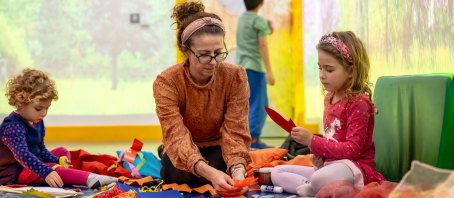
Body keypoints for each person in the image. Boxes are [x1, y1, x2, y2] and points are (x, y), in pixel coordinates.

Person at [153, 1, 252, 196]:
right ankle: (166, 152)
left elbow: (236, 131)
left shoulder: (235, 76)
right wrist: (210, 173)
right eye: (204, 55)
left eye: (218, 53)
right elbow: (176, 133)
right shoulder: (167, 82)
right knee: (179, 177)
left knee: (220, 177)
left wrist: (239, 170)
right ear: (186, 50)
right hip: (180, 143)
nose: (214, 62)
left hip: (216, 144)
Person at [270, 31, 385, 196]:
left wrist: (313, 141)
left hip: (354, 167)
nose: (321, 75)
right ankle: (312, 188)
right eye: (320, 68)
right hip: (331, 167)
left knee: (320, 179)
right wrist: (320, 156)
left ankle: (315, 187)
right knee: (277, 172)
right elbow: (332, 139)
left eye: (329, 69)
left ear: (351, 71)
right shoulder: (329, 98)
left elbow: (352, 150)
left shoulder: (359, 103)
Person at [0, 68, 120, 188]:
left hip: (34, 164)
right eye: (38, 109)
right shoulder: (12, 126)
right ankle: (88, 178)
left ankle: (63, 171)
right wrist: (46, 171)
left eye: (47, 108)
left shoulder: (37, 120)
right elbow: (23, 155)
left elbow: (41, 150)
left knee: (62, 152)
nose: (44, 113)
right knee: (52, 169)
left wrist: (58, 161)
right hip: (15, 172)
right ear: (20, 102)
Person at [236, 0, 274, 149]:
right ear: (262, 2)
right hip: (255, 68)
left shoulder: (242, 18)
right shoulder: (259, 20)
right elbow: (262, 45)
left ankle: (246, 139)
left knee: (247, 104)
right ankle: (253, 141)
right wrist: (269, 72)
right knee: (259, 104)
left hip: (242, 68)